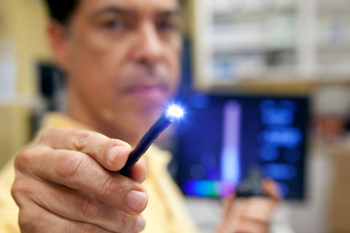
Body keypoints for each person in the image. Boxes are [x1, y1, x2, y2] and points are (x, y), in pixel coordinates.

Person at [0, 0, 280, 232]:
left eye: (166, 25)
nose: (152, 50)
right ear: (60, 42)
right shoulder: (26, 212)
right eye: (114, 23)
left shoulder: (151, 161)